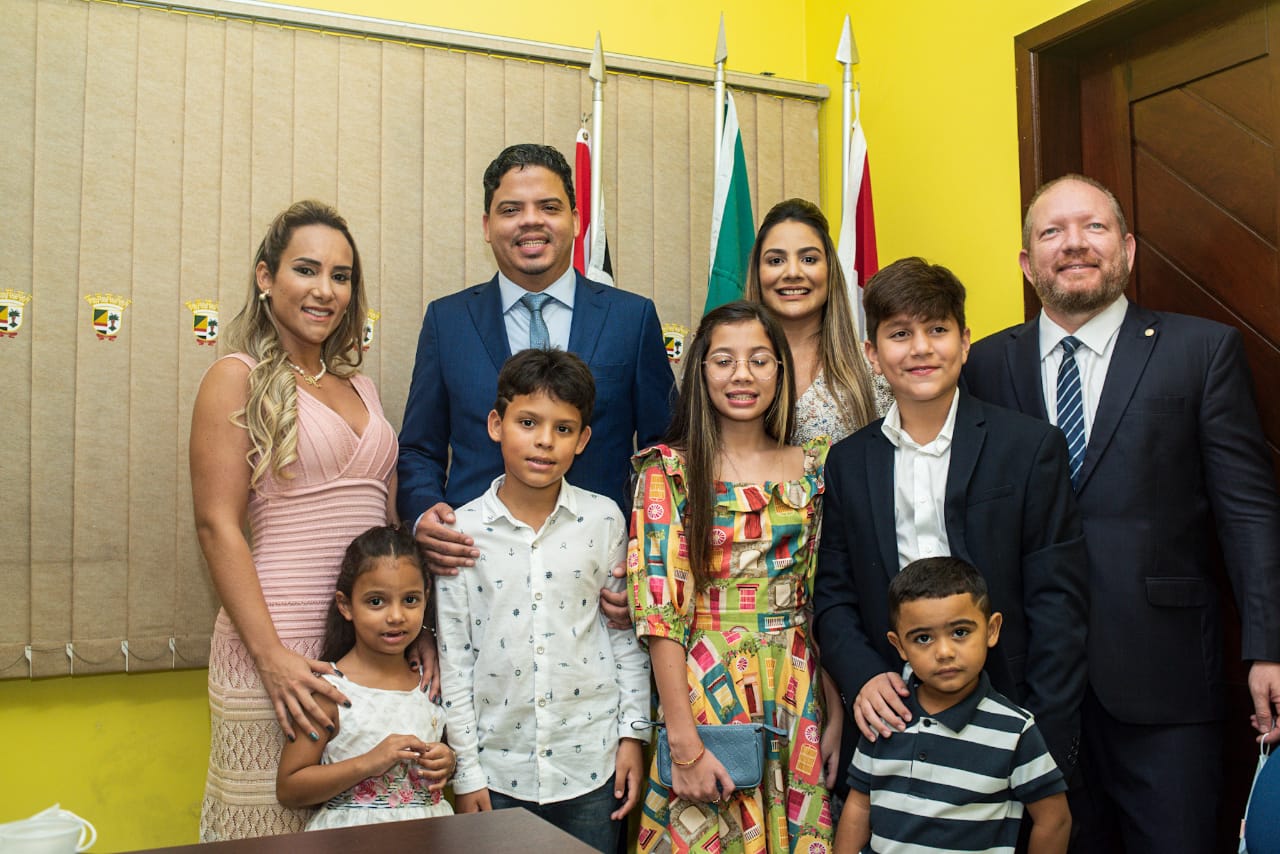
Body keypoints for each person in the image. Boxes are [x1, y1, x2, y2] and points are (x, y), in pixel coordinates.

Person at [963, 173, 1280, 852]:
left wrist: (1267, 646)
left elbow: (1248, 512)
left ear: (1129, 250)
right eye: (1051, 232)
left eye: (1094, 227)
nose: (1073, 245)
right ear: (1026, 263)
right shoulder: (984, 365)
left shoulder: (1201, 352)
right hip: (1026, 688)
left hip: (1165, 682)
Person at [813, 257, 1089, 805]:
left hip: (1008, 712)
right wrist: (864, 677)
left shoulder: (1030, 448)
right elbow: (833, 596)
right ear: (872, 354)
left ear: (965, 342)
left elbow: (1060, 600)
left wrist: (1042, 731)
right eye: (899, 334)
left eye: (937, 330)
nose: (920, 348)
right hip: (888, 714)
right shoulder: (847, 461)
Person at [190, 201, 402, 840]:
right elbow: (216, 526)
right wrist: (272, 657)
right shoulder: (236, 378)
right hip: (274, 653)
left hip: (362, 652)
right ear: (265, 278)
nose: (325, 290)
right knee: (266, 831)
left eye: (341, 276)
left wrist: (409, 634)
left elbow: (386, 531)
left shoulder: (362, 388)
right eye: (306, 270)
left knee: (361, 829)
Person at [397, 143, 675, 590]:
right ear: (488, 227)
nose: (531, 220)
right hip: (475, 573)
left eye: (549, 207)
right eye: (511, 209)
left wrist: (649, 561)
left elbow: (665, 451)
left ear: (576, 220)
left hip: (603, 576)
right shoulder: (446, 321)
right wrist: (423, 513)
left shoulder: (632, 318)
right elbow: (418, 449)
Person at [629, 301, 838, 853]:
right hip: (705, 692)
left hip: (799, 691)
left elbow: (827, 599)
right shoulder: (668, 472)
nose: (741, 374)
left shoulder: (817, 468)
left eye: (759, 360)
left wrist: (834, 712)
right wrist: (684, 747)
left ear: (780, 372)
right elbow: (661, 615)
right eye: (724, 360)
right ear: (700, 370)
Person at [436, 348, 650, 852]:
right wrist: (466, 773)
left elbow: (624, 640)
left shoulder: (604, 520)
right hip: (497, 770)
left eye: (563, 428)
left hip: (592, 767)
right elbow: (455, 659)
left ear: (583, 440)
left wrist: (633, 736)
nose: (544, 441)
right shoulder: (461, 531)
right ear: (496, 424)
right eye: (528, 422)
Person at [835, 557, 1070, 854]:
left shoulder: (1015, 730)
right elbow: (859, 807)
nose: (944, 652)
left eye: (960, 632)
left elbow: (1054, 820)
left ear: (991, 629)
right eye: (923, 638)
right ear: (899, 647)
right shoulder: (886, 717)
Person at [277, 525, 456, 829]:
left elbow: (447, 753)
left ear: (426, 598)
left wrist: (447, 761)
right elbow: (290, 788)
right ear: (346, 605)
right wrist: (370, 762)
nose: (396, 616)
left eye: (410, 600)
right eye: (376, 601)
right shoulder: (331, 690)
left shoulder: (430, 681)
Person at [744, 198, 883, 444]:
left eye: (809, 259)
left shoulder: (873, 368)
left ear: (830, 269)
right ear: (757, 272)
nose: (793, 273)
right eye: (776, 260)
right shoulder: (726, 368)